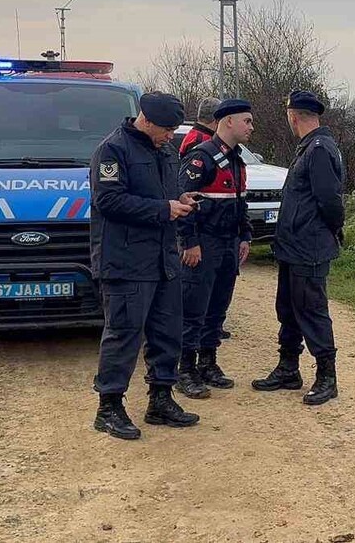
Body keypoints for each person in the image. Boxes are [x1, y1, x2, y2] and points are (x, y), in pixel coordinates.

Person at [89, 92, 203, 440]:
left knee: (167, 331)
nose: (172, 136)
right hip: (125, 261)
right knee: (124, 334)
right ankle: (109, 407)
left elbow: (164, 193)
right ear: (146, 119)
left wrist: (180, 200)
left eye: (174, 130)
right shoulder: (112, 151)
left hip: (163, 259)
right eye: (166, 129)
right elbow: (108, 200)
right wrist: (162, 210)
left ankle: (161, 399)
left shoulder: (165, 151)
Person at [252, 90, 345, 405]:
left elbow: (330, 201)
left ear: (293, 116)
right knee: (288, 309)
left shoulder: (319, 149)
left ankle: (326, 377)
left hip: (310, 247)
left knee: (312, 311)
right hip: (293, 246)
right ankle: (288, 369)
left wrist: (331, 232)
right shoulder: (307, 147)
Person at [174, 99, 254, 399]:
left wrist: (245, 235)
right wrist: (190, 242)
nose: (251, 126)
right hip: (204, 244)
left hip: (229, 244)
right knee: (193, 309)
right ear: (228, 121)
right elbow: (184, 203)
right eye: (246, 121)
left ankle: (208, 362)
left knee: (217, 308)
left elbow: (240, 202)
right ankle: (185, 369)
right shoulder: (201, 158)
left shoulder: (237, 159)